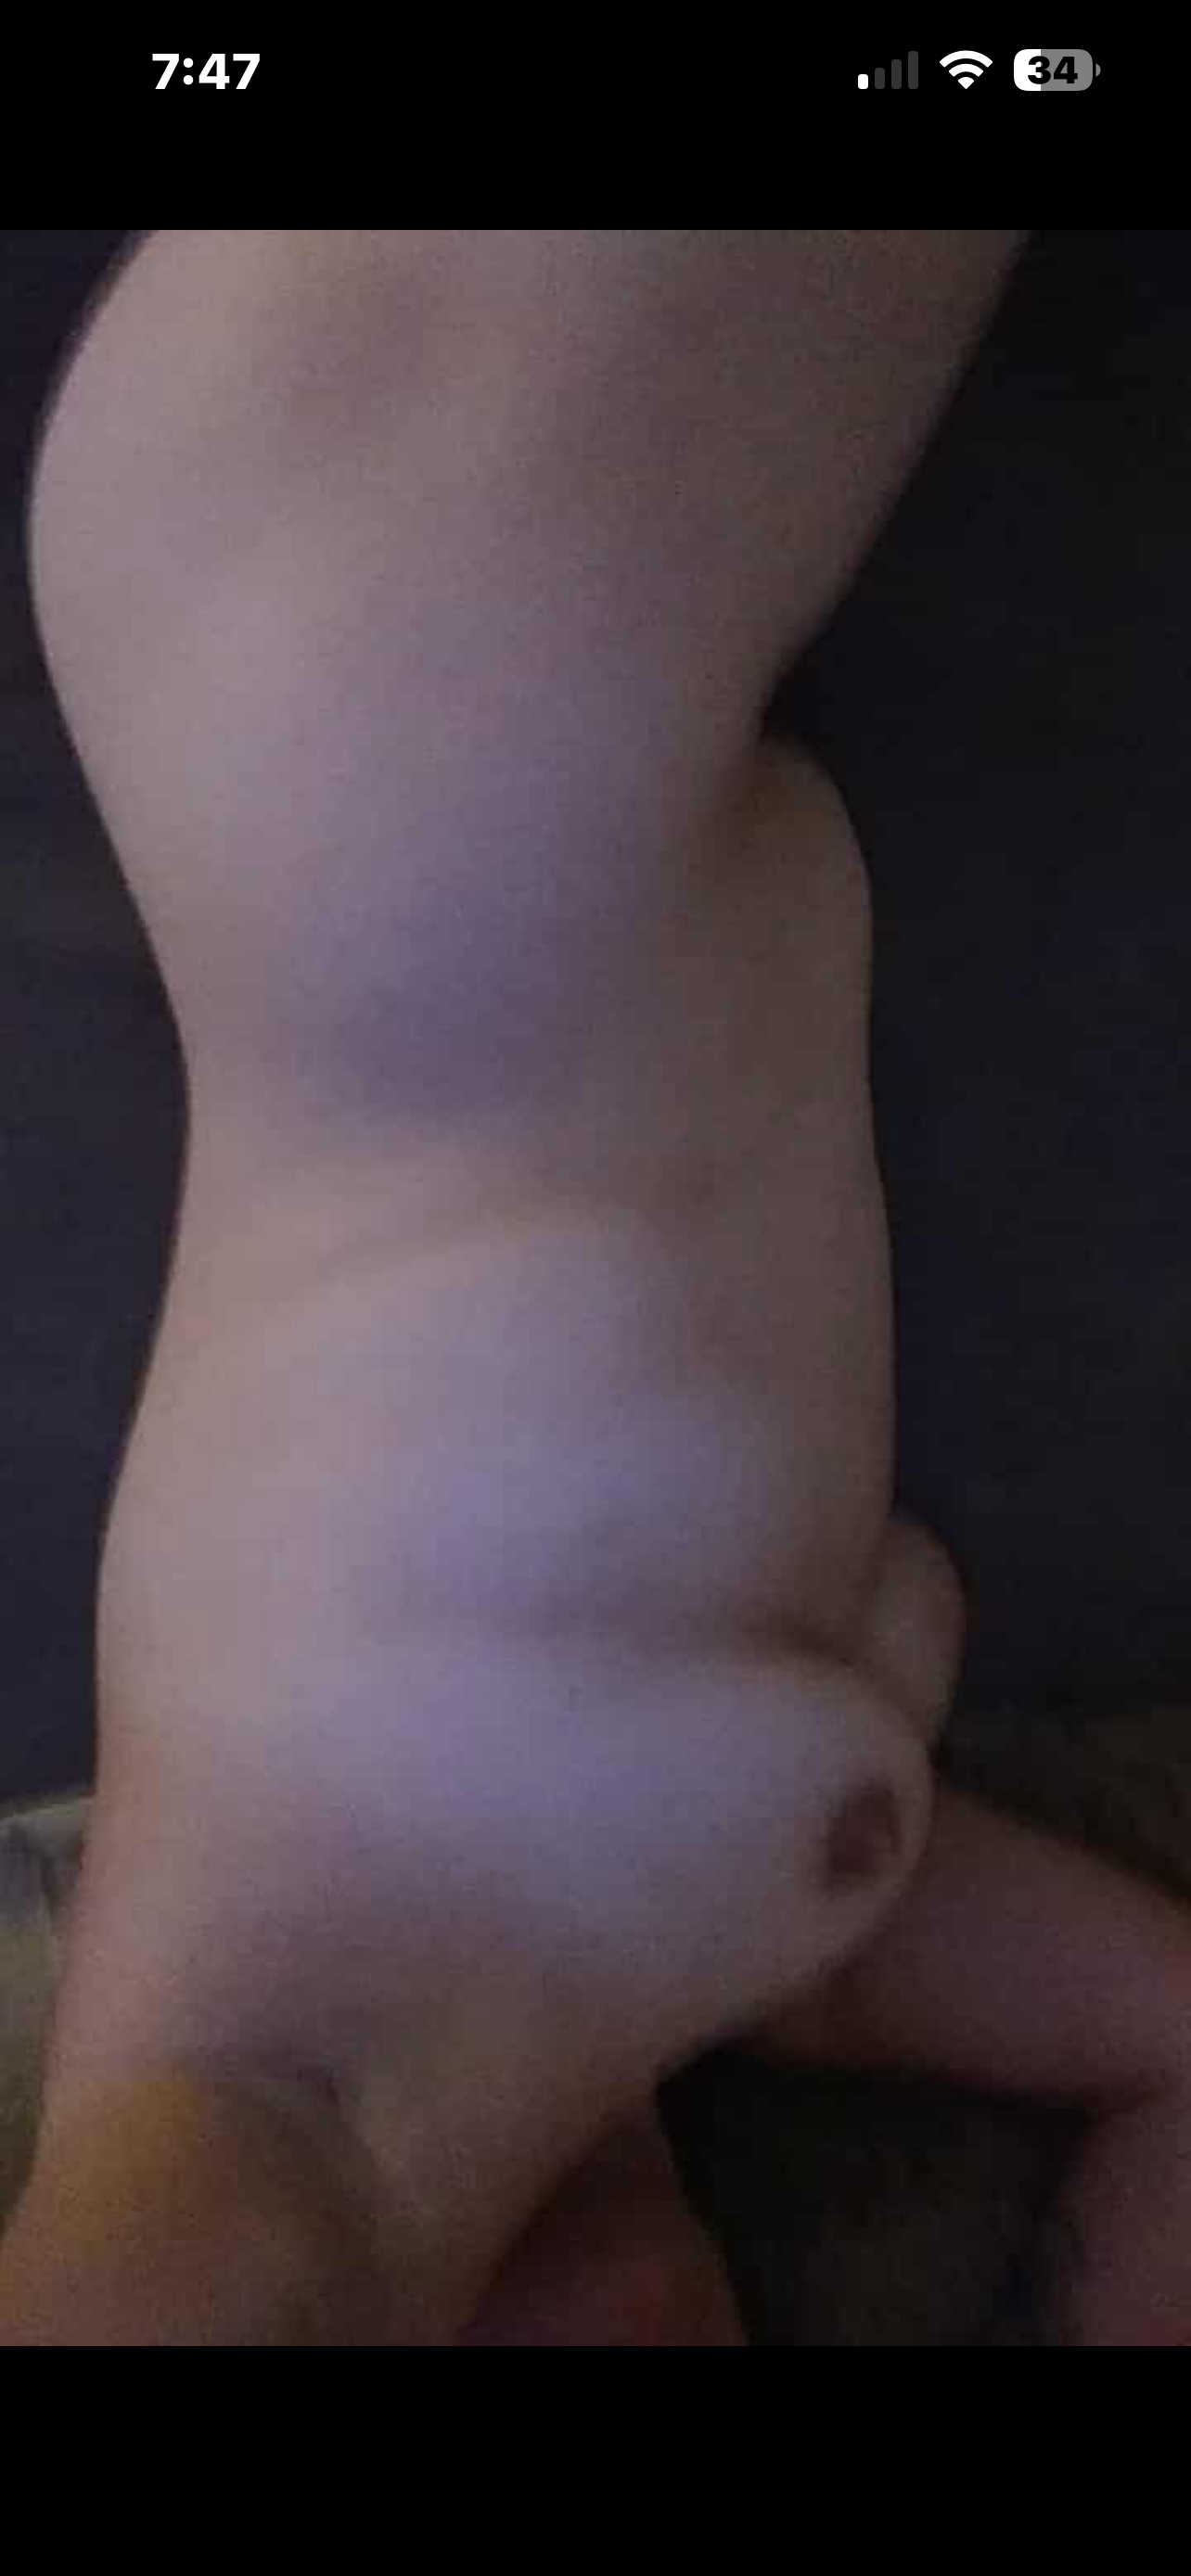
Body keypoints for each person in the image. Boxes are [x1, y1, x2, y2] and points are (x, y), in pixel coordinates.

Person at [1, 230, 1190, 2345]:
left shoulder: (284, 2115)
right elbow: (1154, 2035)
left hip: (401, 699)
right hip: (446, 713)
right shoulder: (672, 1983)